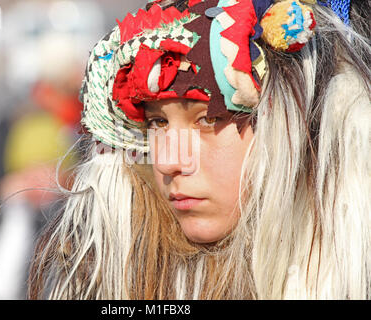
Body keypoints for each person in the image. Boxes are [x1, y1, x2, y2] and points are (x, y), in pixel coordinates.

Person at [27, 0, 370, 300]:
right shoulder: (107, 277)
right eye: (157, 123)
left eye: (207, 119)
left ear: (290, 123)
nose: (168, 161)